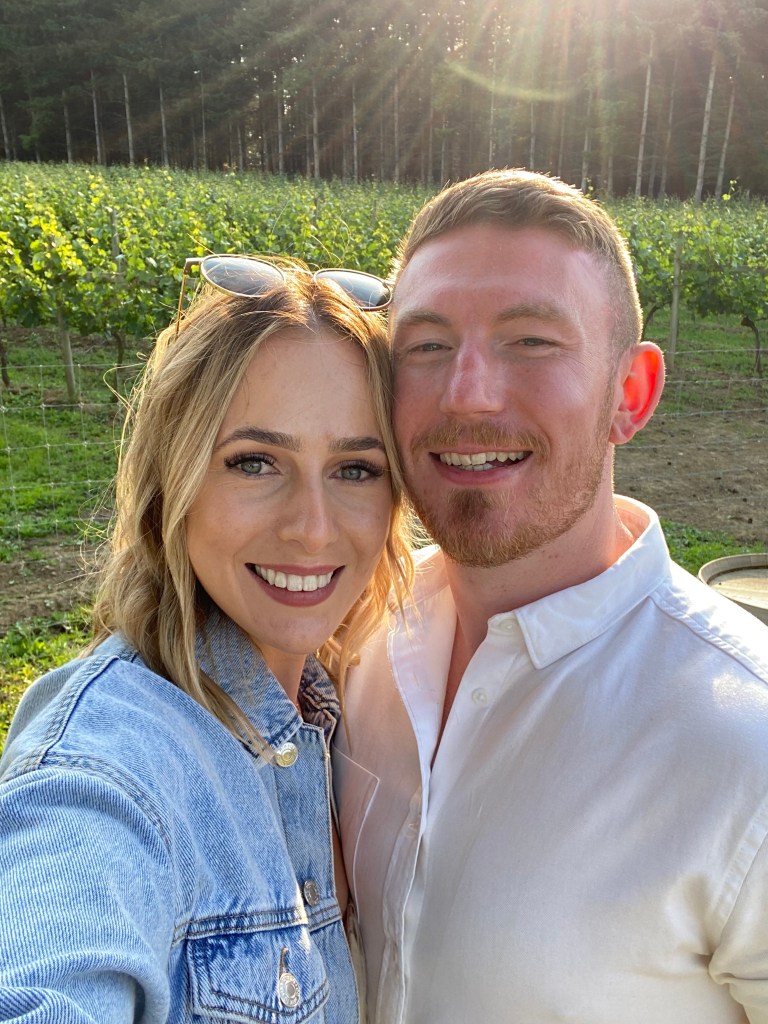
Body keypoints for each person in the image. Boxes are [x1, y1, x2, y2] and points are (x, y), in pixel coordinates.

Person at [333, 169, 768, 1024]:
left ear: (629, 395)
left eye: (530, 341)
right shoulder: (350, 632)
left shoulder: (744, 747)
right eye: (426, 346)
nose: (467, 393)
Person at [0, 258, 413, 1023]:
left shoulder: (353, 713)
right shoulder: (106, 769)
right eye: (254, 462)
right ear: (174, 481)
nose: (312, 527)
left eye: (356, 469)